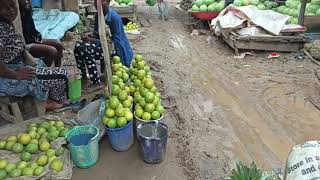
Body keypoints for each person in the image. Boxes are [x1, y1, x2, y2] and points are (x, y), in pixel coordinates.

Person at [0, 0, 69, 110]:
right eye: (6, 8)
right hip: (6, 78)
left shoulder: (7, 23)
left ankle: (54, 98)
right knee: (60, 74)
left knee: (56, 73)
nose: (11, 10)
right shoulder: (1, 29)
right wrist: (16, 75)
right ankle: (47, 102)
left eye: (12, 6)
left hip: (17, 65)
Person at [74, 0, 133, 85]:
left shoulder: (114, 18)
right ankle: (83, 77)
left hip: (115, 49)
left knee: (85, 48)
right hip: (103, 44)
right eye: (96, 1)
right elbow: (97, 33)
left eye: (102, 1)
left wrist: (92, 40)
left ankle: (96, 81)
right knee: (78, 46)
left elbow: (115, 42)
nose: (98, 3)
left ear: (108, 2)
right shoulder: (99, 14)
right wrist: (90, 36)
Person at [18, 0, 64, 67]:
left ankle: (58, 71)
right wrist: (35, 41)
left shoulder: (27, 12)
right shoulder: (17, 17)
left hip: (32, 40)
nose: (26, 2)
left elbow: (33, 30)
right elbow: (24, 39)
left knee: (58, 44)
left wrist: (38, 35)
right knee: (52, 51)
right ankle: (43, 73)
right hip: (25, 44)